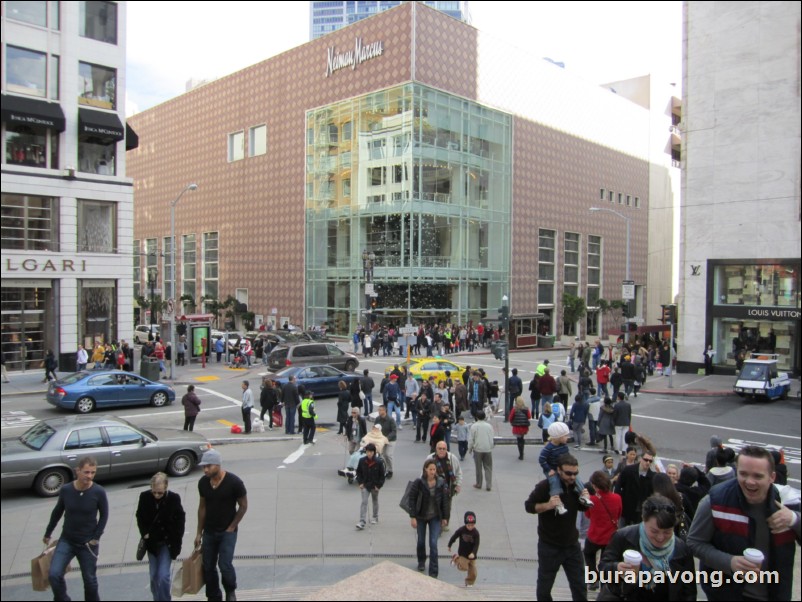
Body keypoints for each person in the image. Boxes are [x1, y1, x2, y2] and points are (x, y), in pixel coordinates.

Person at [688, 445, 801, 601]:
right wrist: (729, 562)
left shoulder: (789, 502)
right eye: (743, 474)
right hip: (725, 595)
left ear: (772, 477)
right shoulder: (715, 500)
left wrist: (795, 519)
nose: (750, 482)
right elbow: (694, 543)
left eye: (758, 476)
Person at [597, 494, 697, 601]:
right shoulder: (623, 537)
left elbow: (688, 591)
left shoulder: (681, 550)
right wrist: (616, 568)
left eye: (667, 532)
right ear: (643, 520)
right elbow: (603, 567)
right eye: (654, 531)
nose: (660, 538)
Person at [525, 453, 590, 601]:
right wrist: (548, 505)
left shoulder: (577, 487)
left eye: (575, 473)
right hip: (549, 545)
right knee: (544, 588)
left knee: (580, 585)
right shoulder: (545, 486)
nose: (572, 477)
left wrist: (585, 499)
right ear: (559, 470)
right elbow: (528, 506)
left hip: (572, 545)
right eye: (568, 473)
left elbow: (583, 509)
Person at [43, 456, 109, 602]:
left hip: (87, 544)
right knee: (54, 574)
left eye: (93, 472)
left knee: (90, 581)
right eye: (86, 472)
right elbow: (57, 511)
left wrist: (95, 538)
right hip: (67, 540)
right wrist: (48, 532)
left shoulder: (98, 491)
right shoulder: (66, 490)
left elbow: (104, 516)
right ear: (77, 471)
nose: (89, 476)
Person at [194, 449, 248, 602]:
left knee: (225, 564)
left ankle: (230, 591)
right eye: (203, 467)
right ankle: (213, 595)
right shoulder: (203, 483)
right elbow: (202, 507)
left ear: (217, 465)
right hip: (209, 532)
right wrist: (199, 532)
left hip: (227, 531)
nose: (205, 470)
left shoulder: (234, 482)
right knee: (208, 566)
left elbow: (243, 506)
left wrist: (232, 527)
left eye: (208, 466)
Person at [136, 472, 186, 601]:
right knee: (154, 576)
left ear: (166, 487)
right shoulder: (145, 497)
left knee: (163, 576)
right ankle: (157, 598)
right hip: (152, 542)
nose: (157, 495)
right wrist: (145, 533)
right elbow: (139, 516)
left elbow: (180, 521)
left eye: (160, 493)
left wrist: (177, 542)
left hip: (166, 542)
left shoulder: (174, 498)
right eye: (154, 492)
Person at [407, 459, 451, 578]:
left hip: (435, 516)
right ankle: (421, 561)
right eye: (430, 469)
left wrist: (445, 518)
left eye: (434, 469)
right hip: (421, 516)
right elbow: (412, 499)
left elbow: (445, 501)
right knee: (421, 541)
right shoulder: (419, 482)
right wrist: (412, 517)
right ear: (425, 469)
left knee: (433, 543)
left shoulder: (440, 482)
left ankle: (433, 571)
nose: (432, 472)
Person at [539, 422, 594, 514]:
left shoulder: (564, 446)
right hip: (552, 469)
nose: (568, 437)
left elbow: (568, 457)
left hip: (563, 467)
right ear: (558, 437)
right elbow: (542, 459)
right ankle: (557, 503)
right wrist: (549, 469)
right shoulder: (549, 448)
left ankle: (582, 495)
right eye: (565, 435)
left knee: (576, 478)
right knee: (554, 482)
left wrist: (572, 466)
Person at [583, 470, 622, 591]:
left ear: (594, 485)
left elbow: (588, 515)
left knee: (588, 554)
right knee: (607, 560)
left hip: (595, 535)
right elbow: (619, 514)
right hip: (610, 536)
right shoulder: (617, 498)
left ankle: (593, 579)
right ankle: (605, 584)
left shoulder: (592, 500)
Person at [615, 449, 657, 526]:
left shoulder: (653, 476)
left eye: (650, 461)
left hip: (642, 512)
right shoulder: (628, 470)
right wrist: (619, 503)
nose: (648, 462)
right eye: (646, 460)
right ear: (640, 459)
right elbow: (618, 486)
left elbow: (653, 495)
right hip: (626, 508)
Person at [355, 443, 385, 530]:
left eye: (371, 452)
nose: (369, 454)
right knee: (364, 502)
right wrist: (360, 483)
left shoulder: (379, 462)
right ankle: (362, 521)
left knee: (375, 501)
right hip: (365, 485)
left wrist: (378, 486)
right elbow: (358, 472)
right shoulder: (362, 461)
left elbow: (382, 476)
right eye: (367, 452)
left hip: (375, 486)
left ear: (374, 452)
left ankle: (375, 516)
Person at [448, 511, 481, 588]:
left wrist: (473, 553)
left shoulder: (476, 533)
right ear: (465, 524)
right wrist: (450, 544)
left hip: (472, 555)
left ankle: (469, 582)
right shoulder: (462, 530)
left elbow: (477, 544)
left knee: (473, 572)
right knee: (464, 568)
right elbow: (454, 536)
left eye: (472, 525)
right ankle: (456, 559)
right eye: (468, 525)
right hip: (463, 553)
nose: (470, 527)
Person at [468, 409, 495, 491]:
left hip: (478, 449)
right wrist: (491, 446)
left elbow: (471, 439)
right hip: (487, 449)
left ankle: (479, 483)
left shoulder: (474, 426)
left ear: (476, 417)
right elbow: (491, 437)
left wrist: (469, 448)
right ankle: (489, 485)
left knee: (478, 467)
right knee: (488, 467)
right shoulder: (489, 426)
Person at [374, 404, 397, 478]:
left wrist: (387, 438)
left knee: (388, 454)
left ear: (384, 411)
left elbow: (394, 431)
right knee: (382, 455)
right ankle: (385, 469)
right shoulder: (377, 419)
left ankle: (390, 471)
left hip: (390, 440)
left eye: (380, 410)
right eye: (378, 410)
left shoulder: (390, 419)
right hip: (381, 440)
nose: (379, 411)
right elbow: (375, 429)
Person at [612, 391, 632, 456]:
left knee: (618, 436)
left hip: (618, 423)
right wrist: (629, 422)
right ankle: (624, 450)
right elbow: (629, 414)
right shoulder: (628, 405)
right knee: (625, 437)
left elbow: (614, 415)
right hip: (626, 422)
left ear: (618, 397)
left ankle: (617, 449)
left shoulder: (617, 405)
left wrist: (613, 422)